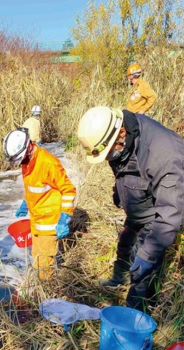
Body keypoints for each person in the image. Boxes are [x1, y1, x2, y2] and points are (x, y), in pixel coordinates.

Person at [77, 106, 184, 310]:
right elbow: (123, 166)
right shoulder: (120, 137)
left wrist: (148, 254)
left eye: (108, 154)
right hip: (140, 205)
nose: (108, 159)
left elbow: (170, 214)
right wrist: (120, 193)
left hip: (161, 212)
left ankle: (137, 314)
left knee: (144, 265)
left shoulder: (164, 155)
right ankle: (119, 278)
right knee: (126, 243)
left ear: (121, 133)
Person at [3, 127, 76, 280]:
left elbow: (69, 190)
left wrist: (65, 218)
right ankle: (40, 289)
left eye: (20, 158)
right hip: (36, 219)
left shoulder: (48, 163)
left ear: (28, 146)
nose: (20, 162)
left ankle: (46, 296)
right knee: (37, 258)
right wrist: (25, 202)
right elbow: (34, 187)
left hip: (50, 221)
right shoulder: (27, 161)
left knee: (44, 264)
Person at [16, 106, 43, 217]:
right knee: (36, 174)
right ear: (39, 113)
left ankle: (27, 204)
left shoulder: (27, 121)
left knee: (29, 175)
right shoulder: (36, 122)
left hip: (25, 148)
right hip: (34, 146)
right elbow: (36, 137)